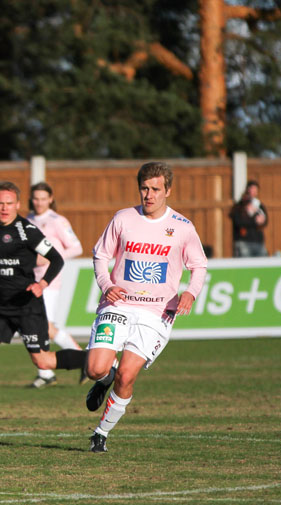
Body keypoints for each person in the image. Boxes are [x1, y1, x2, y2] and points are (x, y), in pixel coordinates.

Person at [83, 162, 207, 453]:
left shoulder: (182, 227)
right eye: (144, 188)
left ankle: (101, 433)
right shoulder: (123, 218)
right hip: (119, 304)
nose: (148, 195)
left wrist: (190, 292)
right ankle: (104, 379)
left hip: (157, 313)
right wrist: (106, 284)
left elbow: (198, 265)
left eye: (155, 189)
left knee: (127, 375)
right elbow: (100, 256)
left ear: (168, 191)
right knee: (95, 368)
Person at [0, 181, 88, 425]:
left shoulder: (27, 230)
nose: (4, 208)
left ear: (18, 205)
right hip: (2, 306)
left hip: (27, 306)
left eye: (9, 203)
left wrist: (42, 284)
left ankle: (96, 359)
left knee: (43, 360)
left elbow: (56, 259)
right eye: (0, 203)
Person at [26, 182, 85, 388]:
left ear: (50, 199)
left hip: (50, 281)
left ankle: (79, 359)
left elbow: (76, 247)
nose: (39, 202)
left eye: (43, 198)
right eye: (36, 198)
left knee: (43, 326)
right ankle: (48, 371)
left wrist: (51, 259)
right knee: (41, 327)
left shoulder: (57, 221)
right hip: (31, 281)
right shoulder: (27, 220)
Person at [230, 180, 268, 257]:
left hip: (258, 241)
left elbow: (265, 220)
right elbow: (237, 221)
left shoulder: (259, 205)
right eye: (251, 190)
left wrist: (262, 221)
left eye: (255, 191)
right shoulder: (240, 206)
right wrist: (253, 220)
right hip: (244, 242)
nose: (253, 193)